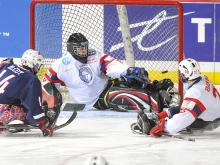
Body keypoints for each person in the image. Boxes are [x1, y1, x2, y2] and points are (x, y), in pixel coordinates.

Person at [133, 58, 220, 136]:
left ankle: (153, 124)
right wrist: (161, 116)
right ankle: (158, 117)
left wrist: (164, 127)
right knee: (185, 107)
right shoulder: (203, 78)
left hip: (209, 121)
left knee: (185, 114)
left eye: (180, 73)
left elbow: (184, 118)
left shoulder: (196, 93)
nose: (179, 75)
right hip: (212, 113)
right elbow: (186, 107)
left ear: (185, 74)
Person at [0, 49, 53, 136]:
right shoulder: (32, 79)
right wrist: (43, 124)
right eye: (38, 65)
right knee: (28, 112)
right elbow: (33, 104)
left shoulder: (6, 65)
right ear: (34, 64)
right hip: (2, 111)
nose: (39, 68)